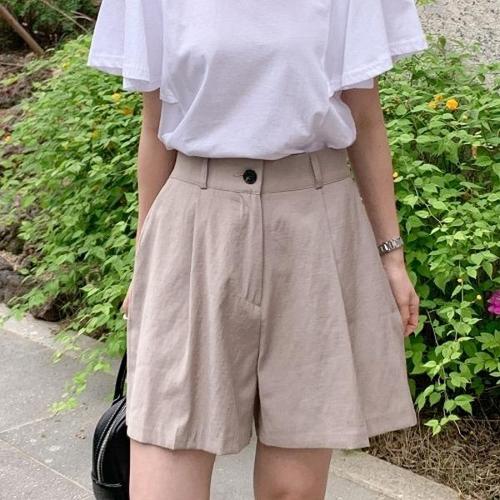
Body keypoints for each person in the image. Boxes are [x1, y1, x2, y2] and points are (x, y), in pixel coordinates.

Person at [87, 0, 427, 498]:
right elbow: (155, 122)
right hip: (195, 224)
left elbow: (366, 115)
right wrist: (146, 264)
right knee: (164, 464)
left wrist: (391, 256)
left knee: (294, 487)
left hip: (313, 226)